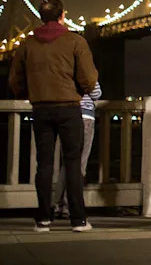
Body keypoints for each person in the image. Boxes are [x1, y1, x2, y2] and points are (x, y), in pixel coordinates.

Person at [8, 0, 98, 232]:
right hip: (69, 108)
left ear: (41, 17)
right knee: (73, 163)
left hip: (41, 108)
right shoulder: (76, 41)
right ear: (62, 16)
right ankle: (78, 220)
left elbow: (15, 80)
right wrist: (78, 90)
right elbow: (89, 80)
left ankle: (43, 219)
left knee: (44, 164)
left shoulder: (27, 44)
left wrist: (33, 93)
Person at [54, 80, 101, 219]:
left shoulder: (65, 69)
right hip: (85, 117)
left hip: (67, 115)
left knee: (67, 163)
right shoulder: (84, 69)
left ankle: (57, 205)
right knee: (80, 164)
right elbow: (96, 93)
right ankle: (71, 206)